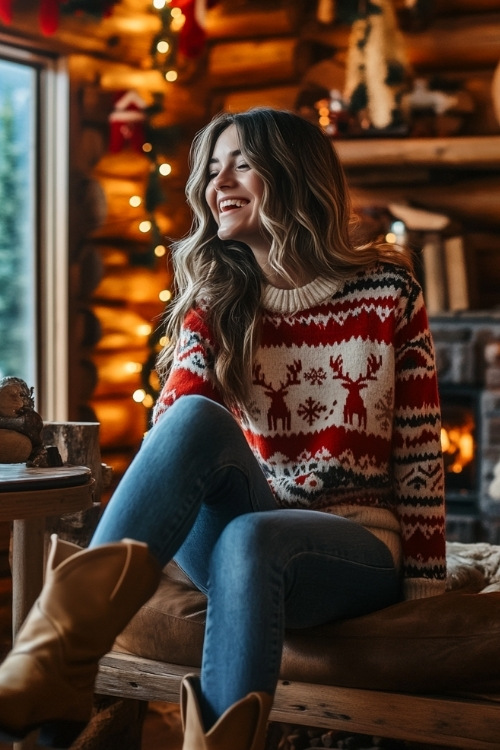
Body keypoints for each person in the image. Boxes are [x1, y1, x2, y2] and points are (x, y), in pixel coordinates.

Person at [0, 108, 446, 750]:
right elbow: (177, 432)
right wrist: (203, 321)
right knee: (199, 427)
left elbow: (420, 451)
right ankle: (56, 656)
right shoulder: (218, 294)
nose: (218, 183)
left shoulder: (387, 289)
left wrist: (424, 601)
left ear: (294, 174)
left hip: (352, 546)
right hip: (246, 520)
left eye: (240, 163)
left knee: (252, 538)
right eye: (211, 169)